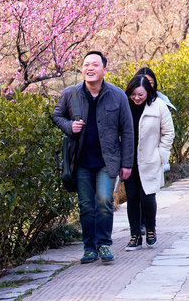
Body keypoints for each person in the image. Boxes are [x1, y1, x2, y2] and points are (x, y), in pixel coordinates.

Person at [52, 51, 133, 265]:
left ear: (104, 69)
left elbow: (127, 130)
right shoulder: (71, 94)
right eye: (86, 64)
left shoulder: (117, 95)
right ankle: (89, 248)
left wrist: (127, 163)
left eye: (95, 64)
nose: (90, 68)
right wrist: (70, 126)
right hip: (80, 162)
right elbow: (56, 115)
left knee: (104, 201)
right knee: (86, 205)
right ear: (82, 69)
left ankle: (104, 244)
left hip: (108, 161)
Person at [123, 74, 174, 251]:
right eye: (133, 94)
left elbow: (168, 133)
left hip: (151, 159)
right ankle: (134, 235)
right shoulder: (124, 106)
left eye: (140, 95)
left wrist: (161, 155)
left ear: (148, 92)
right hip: (129, 160)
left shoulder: (159, 106)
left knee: (147, 196)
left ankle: (151, 230)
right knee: (132, 198)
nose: (136, 98)